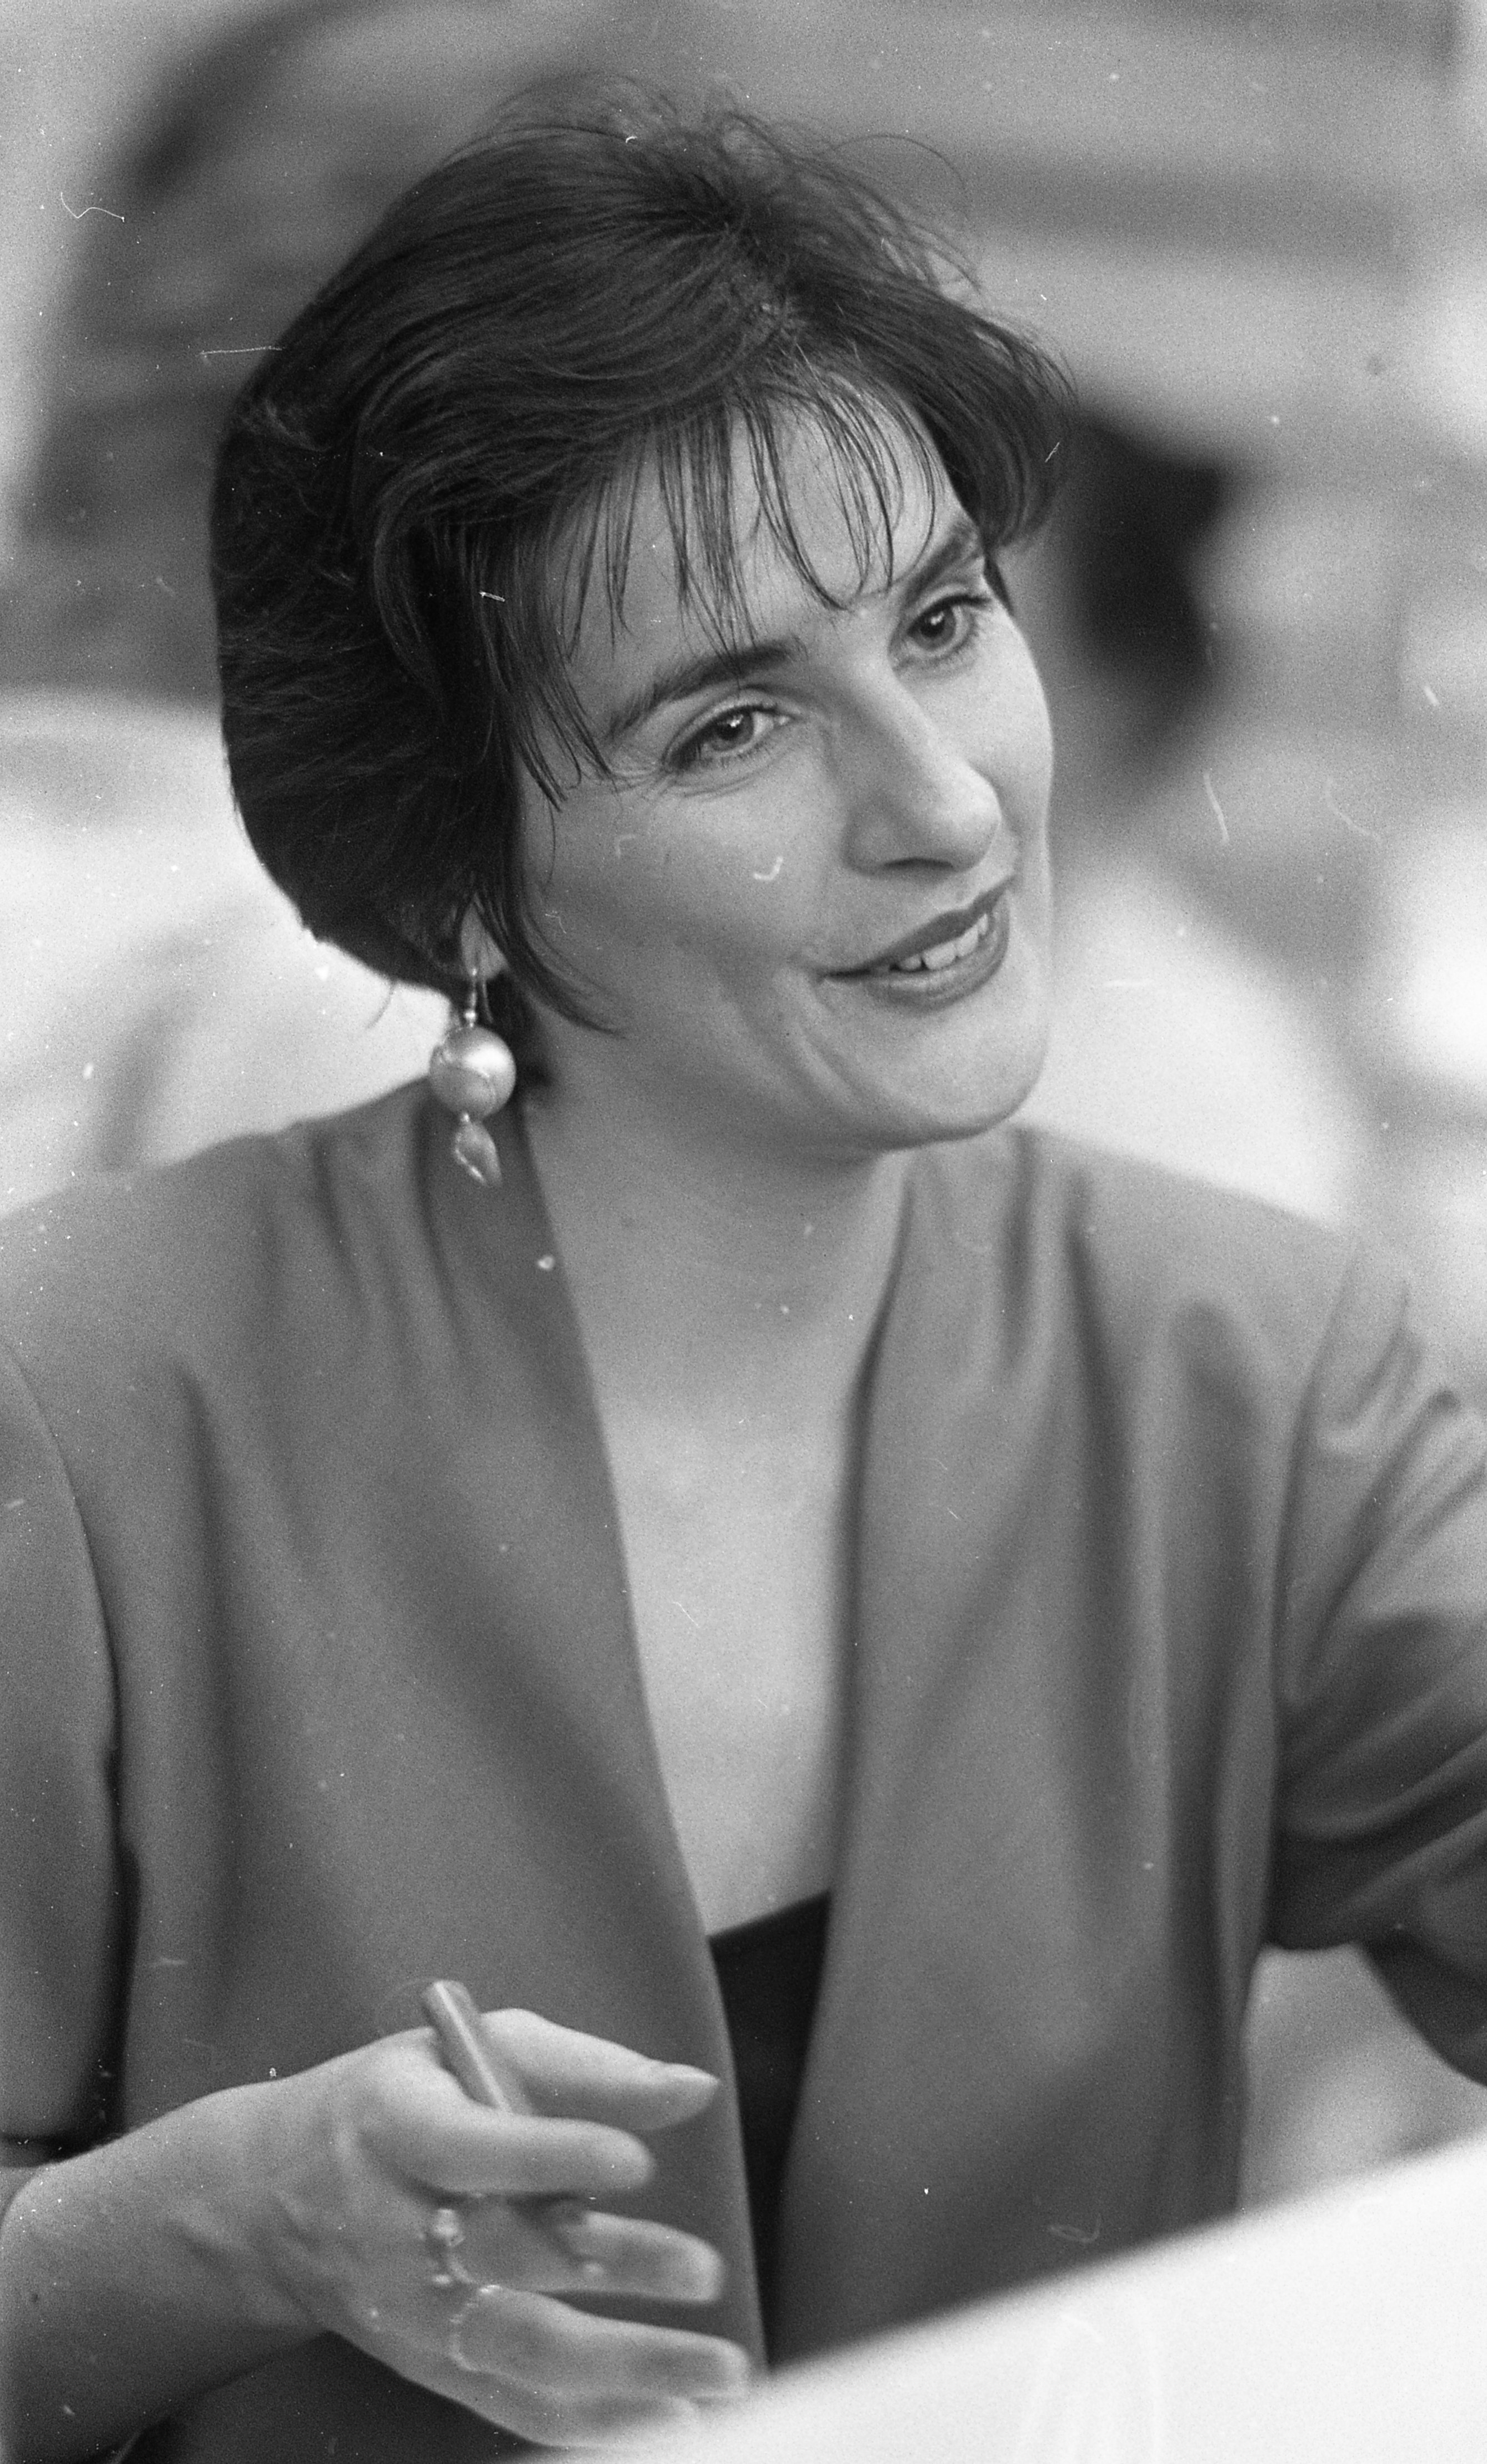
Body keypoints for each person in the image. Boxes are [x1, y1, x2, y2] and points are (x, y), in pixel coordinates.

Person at [5, 96, 1487, 2463]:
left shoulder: (1264, 1368)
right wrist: (240, 2222)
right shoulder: (74, 1392)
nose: (942, 797)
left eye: (938, 619)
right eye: (734, 722)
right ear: (463, 885)